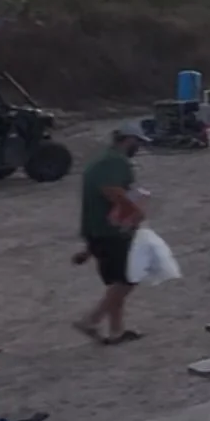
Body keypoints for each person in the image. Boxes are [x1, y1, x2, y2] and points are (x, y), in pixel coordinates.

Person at [74, 121, 149, 345]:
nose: (139, 147)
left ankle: (116, 330)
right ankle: (91, 320)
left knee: (116, 282)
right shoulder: (115, 162)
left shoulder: (101, 160)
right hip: (111, 231)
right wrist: (136, 212)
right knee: (128, 279)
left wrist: (88, 250)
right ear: (128, 140)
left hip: (96, 231)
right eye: (137, 142)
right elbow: (112, 192)